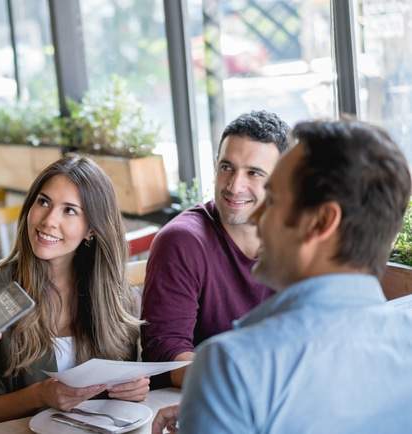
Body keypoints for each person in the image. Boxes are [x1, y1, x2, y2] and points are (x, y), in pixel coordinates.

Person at [153, 119, 412, 434]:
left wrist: (217, 399)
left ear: (321, 222)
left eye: (272, 200)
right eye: (226, 167)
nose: (258, 217)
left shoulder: (231, 367)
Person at [0, 155, 148, 430]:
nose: (48, 220)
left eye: (69, 210)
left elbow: (122, 397)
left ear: (91, 229)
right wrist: (40, 395)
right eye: (43, 201)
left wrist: (134, 391)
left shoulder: (117, 296)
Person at [141, 110, 290, 387]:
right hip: (205, 401)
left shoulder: (302, 239)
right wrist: (247, 381)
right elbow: (165, 355)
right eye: (226, 167)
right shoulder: (182, 241)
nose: (235, 185)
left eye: (254, 173)